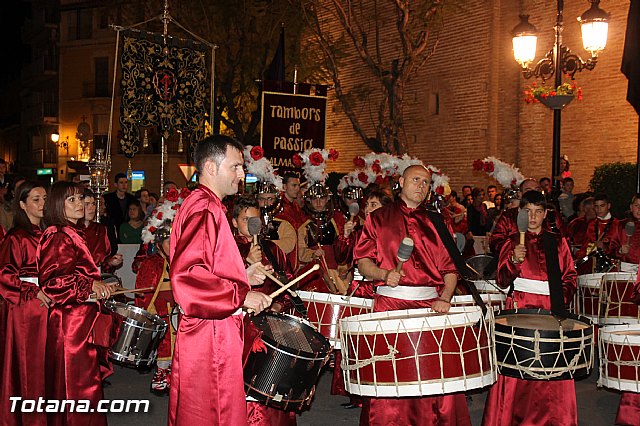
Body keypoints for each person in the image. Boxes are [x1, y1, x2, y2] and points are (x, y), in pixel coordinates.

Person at [354, 164, 470, 426]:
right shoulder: (378, 217)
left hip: (430, 305)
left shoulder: (439, 221)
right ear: (401, 181)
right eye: (416, 179)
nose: (421, 186)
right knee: (388, 376)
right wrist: (383, 274)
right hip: (389, 303)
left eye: (426, 182)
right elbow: (362, 261)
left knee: (434, 377)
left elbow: (451, 268)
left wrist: (446, 297)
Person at [168, 134, 272, 425]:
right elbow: (187, 276)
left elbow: (207, 267)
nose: (242, 174)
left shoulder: (200, 203)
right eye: (236, 166)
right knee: (213, 412)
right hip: (210, 332)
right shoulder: (206, 208)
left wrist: (242, 276)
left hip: (205, 327)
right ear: (211, 168)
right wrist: (240, 296)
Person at [482, 190, 578, 425]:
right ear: (520, 214)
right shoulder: (512, 241)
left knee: (551, 364)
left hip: (550, 308)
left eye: (538, 212)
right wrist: (514, 261)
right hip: (520, 307)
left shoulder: (557, 241)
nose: (533, 217)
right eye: (528, 212)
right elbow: (503, 281)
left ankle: (554, 419)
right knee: (518, 367)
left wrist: (558, 300)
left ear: (546, 214)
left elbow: (571, 277)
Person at [38, 181, 116, 426]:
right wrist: (88, 286)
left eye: (80, 198)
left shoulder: (73, 232)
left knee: (85, 384)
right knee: (75, 385)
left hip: (81, 319)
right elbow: (52, 282)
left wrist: (96, 285)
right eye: (71, 200)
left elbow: (75, 273)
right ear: (57, 205)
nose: (80, 204)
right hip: (69, 323)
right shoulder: (58, 234)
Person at [0, 181, 50, 425]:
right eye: (36, 199)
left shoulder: (49, 234)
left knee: (44, 365)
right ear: (22, 204)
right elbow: (4, 274)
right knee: (27, 364)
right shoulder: (16, 237)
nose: (43, 204)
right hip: (25, 309)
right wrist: (31, 289)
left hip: (47, 306)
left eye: (44, 198)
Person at [575, 193, 620, 274]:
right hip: (593, 266)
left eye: (602, 206)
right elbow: (585, 246)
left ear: (608, 206)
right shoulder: (591, 224)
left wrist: (605, 247)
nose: (599, 209)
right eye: (596, 206)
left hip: (612, 267)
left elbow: (619, 248)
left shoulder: (617, 224)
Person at [612, 193, 640, 271]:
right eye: (636, 205)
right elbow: (610, 249)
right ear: (631, 207)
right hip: (626, 269)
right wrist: (620, 250)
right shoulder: (621, 225)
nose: (639, 209)